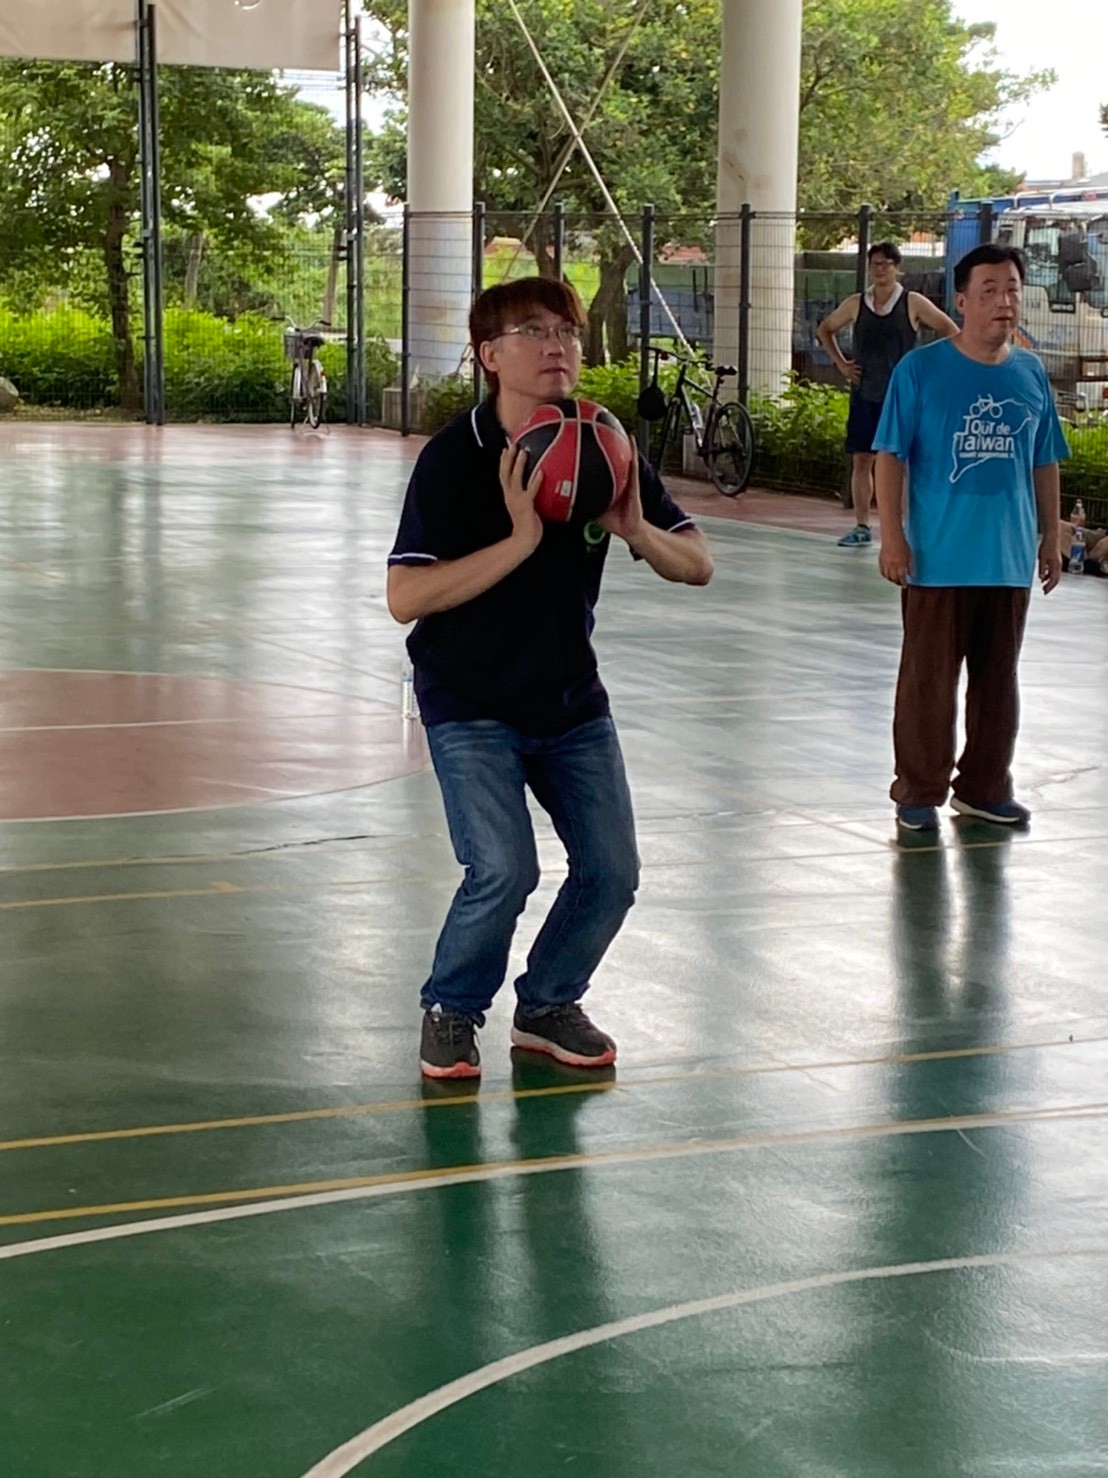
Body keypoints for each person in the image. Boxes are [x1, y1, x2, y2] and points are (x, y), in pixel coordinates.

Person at [387, 278, 713, 1079]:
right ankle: (452, 1008)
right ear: (490, 356)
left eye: (566, 330)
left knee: (612, 873)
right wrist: (520, 541)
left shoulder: (604, 446)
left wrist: (634, 527)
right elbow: (406, 597)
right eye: (533, 331)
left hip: (569, 698)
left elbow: (697, 562)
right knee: (504, 869)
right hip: (468, 698)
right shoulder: (454, 457)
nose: (558, 344)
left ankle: (547, 1004)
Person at [873, 243, 1068, 832]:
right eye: (989, 290)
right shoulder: (921, 371)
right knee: (928, 685)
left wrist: (1050, 536)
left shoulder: (1030, 373)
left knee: (998, 686)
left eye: (1011, 290)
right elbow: (890, 456)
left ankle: (984, 787)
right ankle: (919, 791)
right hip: (937, 559)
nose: (1003, 301)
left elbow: (1044, 461)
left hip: (1007, 561)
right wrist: (892, 537)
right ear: (961, 301)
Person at [817, 241, 959, 547]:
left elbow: (951, 331)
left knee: (902, 463)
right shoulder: (857, 303)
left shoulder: (912, 302)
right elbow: (825, 329)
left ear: (897, 268)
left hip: (901, 398)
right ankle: (861, 526)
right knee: (862, 460)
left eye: (886, 264)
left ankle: (907, 528)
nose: (880, 270)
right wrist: (842, 364)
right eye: (876, 264)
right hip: (865, 392)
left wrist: (928, 369)